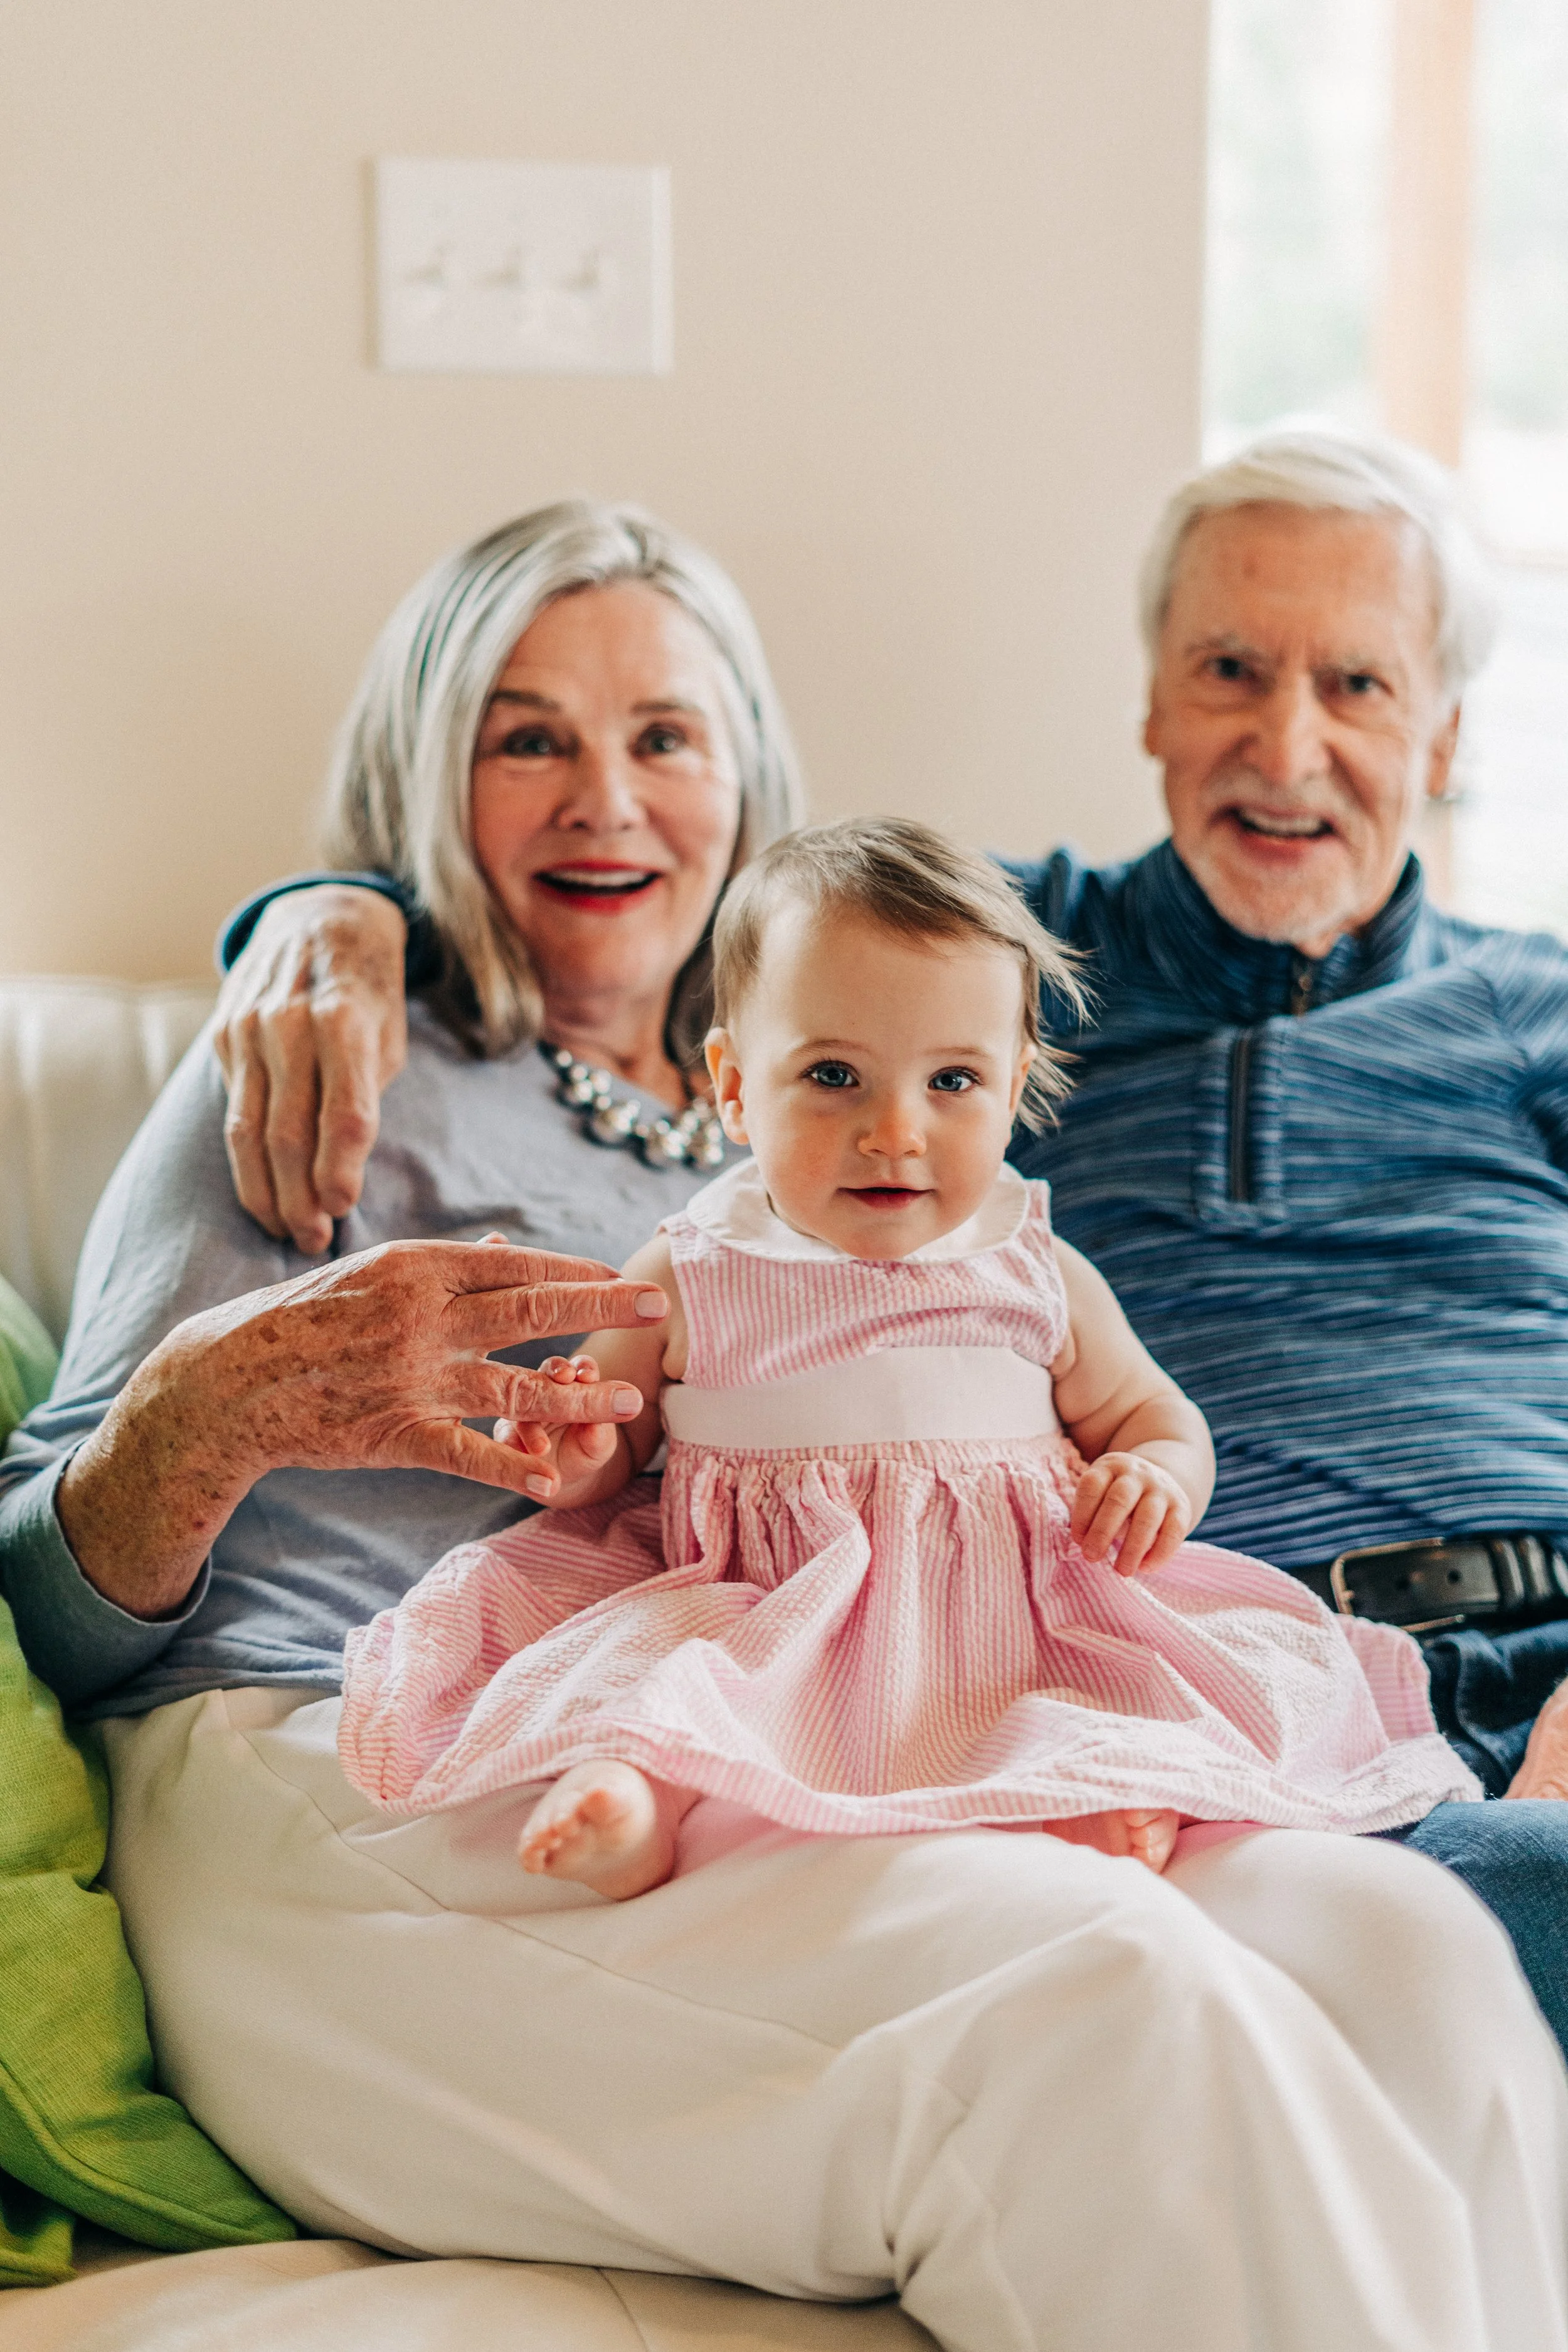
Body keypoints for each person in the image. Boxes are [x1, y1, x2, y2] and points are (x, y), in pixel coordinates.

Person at [3, 501, 1566, 2350]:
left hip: (764, 1749)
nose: (605, 798)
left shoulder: (827, 1100)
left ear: (750, 787)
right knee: (1104, 1989)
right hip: (347, 1750)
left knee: (1405, 1950)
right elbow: (50, 1584)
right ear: (429, 775)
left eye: (664, 736)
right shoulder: (324, 1059)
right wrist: (227, 1392)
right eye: (526, 737)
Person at [226, 431, 1568, 2057]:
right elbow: (677, 899)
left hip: (1542, 1632)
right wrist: (335, 910)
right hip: (1210, 1690)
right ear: (1149, 698)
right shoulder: (984, 962)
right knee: (1363, 1955)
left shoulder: (1538, 1009)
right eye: (1229, 668)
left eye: (1354, 684)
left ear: (1438, 731)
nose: (1284, 746)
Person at [341, 816, 1475, 1897]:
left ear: (1016, 1082)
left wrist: (1155, 1478)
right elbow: (607, 1453)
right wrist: (576, 1433)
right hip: (768, 1606)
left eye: (953, 1081)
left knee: (1100, 1695)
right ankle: (630, 1803)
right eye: (835, 1076)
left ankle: (1088, 1795)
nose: (897, 1129)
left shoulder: (1034, 1265)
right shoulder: (693, 1268)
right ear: (736, 1084)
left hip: (1014, 1619)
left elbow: (1154, 1417)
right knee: (669, 1685)